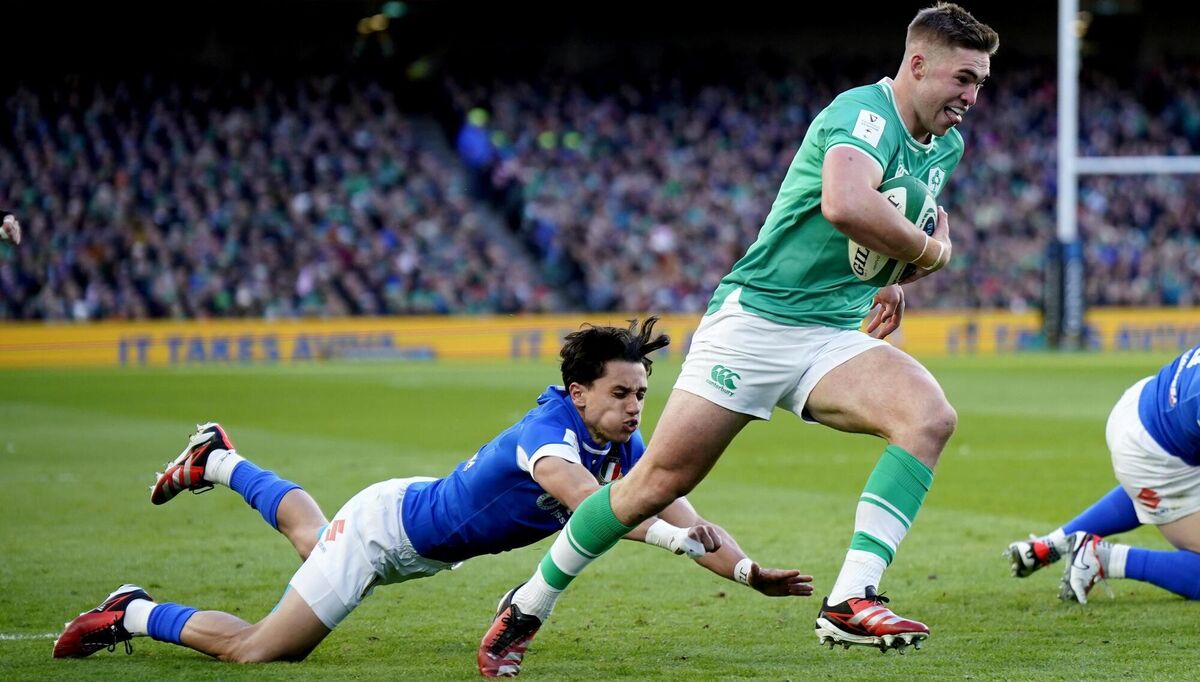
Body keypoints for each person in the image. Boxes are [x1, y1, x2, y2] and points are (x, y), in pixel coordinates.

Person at [478, 3, 999, 674]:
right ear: (918, 65)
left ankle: (851, 599)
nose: (971, 97)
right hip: (755, 324)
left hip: (829, 332)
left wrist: (895, 277)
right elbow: (846, 203)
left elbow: (885, 225)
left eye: (981, 83)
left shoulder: (946, 146)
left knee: (928, 418)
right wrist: (930, 254)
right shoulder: (860, 115)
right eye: (962, 78)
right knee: (654, 485)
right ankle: (529, 604)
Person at [53, 318, 812, 665]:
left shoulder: (619, 441)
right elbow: (597, 509)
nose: (637, 406)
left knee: (316, 539)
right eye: (622, 392)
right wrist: (676, 539)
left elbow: (688, 513)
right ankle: (132, 611)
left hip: (412, 521)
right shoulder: (547, 437)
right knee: (262, 650)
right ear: (577, 391)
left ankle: (217, 461)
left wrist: (746, 572)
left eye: (643, 391)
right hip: (392, 531)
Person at [1006, 344, 1200, 604]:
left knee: (1156, 493)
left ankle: (1049, 546)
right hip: (1152, 451)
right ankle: (1100, 557)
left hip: (1146, 406)